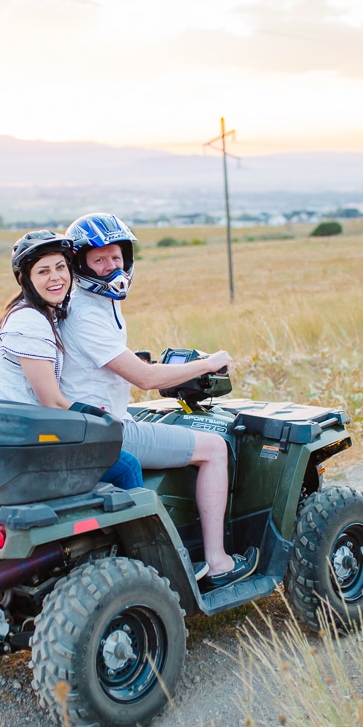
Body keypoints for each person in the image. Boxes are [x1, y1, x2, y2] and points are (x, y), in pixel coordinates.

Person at [59, 212, 259, 588]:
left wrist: (131, 360)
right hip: (107, 431)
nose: (110, 267)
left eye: (116, 258)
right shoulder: (87, 313)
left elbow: (104, 364)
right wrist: (209, 362)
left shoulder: (90, 304)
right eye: (99, 260)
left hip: (94, 419)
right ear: (80, 264)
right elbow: (148, 380)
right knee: (215, 447)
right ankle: (217, 562)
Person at [0, 229, 143, 491]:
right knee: (127, 467)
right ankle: (143, 533)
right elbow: (52, 401)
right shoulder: (30, 322)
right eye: (43, 271)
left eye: (60, 267)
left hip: (20, 430)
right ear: (27, 280)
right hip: (28, 439)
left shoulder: (37, 313)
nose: (55, 278)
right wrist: (100, 423)